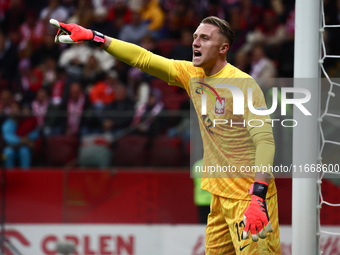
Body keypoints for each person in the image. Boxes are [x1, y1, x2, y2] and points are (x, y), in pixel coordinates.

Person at [49, 15, 280, 254]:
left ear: (223, 48)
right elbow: (143, 58)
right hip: (220, 198)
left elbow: (265, 140)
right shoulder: (193, 75)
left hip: (249, 199)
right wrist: (95, 37)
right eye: (195, 37)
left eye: (204, 38)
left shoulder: (243, 85)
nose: (195, 43)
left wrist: (258, 197)